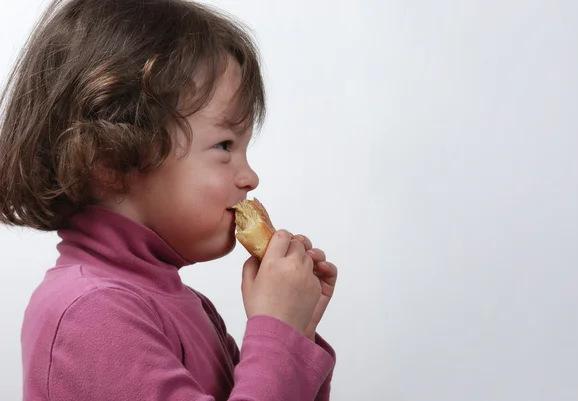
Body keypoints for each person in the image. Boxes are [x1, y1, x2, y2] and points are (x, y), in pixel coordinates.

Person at [0, 0, 338, 400]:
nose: (250, 177)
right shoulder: (91, 314)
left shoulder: (185, 304)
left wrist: (296, 334)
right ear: (111, 161)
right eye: (225, 145)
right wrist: (276, 333)